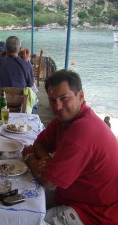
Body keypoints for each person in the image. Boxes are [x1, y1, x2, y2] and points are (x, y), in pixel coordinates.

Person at [22, 70, 118, 225]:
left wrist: (30, 158)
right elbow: (39, 144)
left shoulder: (83, 130)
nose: (57, 106)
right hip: (70, 194)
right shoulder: (64, 119)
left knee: (22, 219)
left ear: (81, 96)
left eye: (64, 98)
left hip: (93, 214)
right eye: (52, 100)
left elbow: (48, 182)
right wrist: (47, 160)